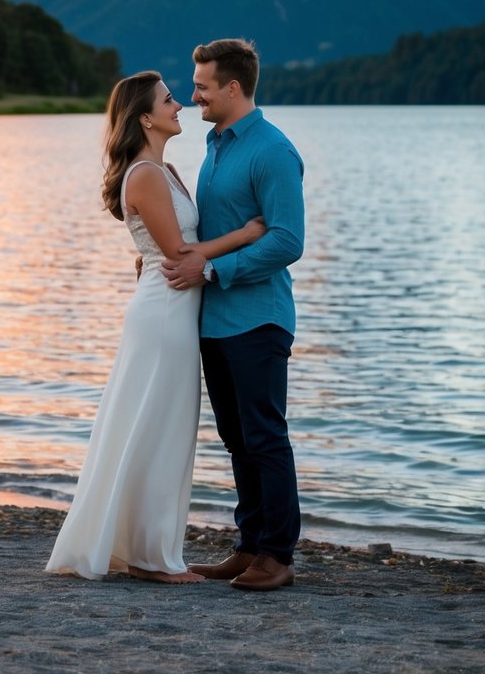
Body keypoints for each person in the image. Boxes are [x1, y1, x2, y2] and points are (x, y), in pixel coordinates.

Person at [45, 70, 264, 583]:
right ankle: (154, 559)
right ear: (145, 117)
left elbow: (167, 246)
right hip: (164, 314)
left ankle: (144, 550)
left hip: (172, 311)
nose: (179, 105)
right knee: (160, 432)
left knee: (157, 430)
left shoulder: (162, 171)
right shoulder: (144, 174)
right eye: (169, 100)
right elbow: (178, 254)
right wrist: (247, 234)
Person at [161, 38, 304, 592]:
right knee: (236, 438)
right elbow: (210, 232)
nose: (192, 94)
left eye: (200, 85)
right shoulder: (216, 143)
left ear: (233, 87)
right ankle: (249, 545)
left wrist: (215, 271)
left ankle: (278, 554)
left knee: (265, 436)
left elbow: (288, 240)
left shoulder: (272, 150)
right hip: (214, 320)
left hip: (258, 317)